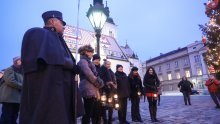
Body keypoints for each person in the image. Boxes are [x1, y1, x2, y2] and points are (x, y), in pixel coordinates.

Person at [20, 10, 84, 124]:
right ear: (53, 21)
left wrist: (73, 66)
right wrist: (70, 64)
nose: (64, 27)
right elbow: (48, 55)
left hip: (63, 90)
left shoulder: (58, 39)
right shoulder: (37, 33)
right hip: (49, 90)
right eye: (62, 23)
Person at [77, 45, 104, 124]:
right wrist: (98, 83)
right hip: (88, 89)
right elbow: (89, 74)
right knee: (87, 113)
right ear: (86, 52)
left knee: (93, 112)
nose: (92, 54)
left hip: (92, 89)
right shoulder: (83, 61)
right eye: (91, 52)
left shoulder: (87, 61)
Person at [0, 57, 23, 124]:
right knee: (6, 118)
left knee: (14, 117)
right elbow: (10, 81)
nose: (21, 63)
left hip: (17, 99)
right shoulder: (9, 69)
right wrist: (22, 86)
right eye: (19, 61)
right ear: (15, 62)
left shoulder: (21, 73)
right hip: (9, 98)